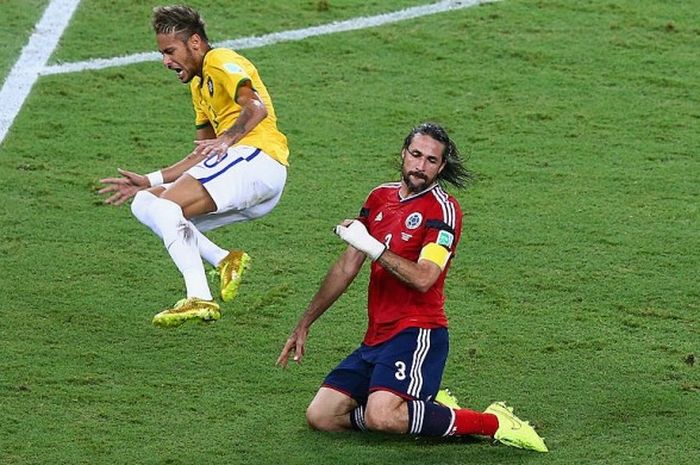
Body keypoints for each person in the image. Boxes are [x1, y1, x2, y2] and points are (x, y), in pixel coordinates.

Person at [277, 123, 548, 452]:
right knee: (321, 416)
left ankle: (494, 422)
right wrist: (305, 322)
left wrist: (373, 247)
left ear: (441, 167)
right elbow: (346, 267)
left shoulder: (443, 210)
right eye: (416, 155)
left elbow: (424, 277)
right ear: (403, 154)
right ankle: (421, 409)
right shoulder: (379, 198)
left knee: (380, 416)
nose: (420, 166)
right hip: (376, 337)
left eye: (431, 161)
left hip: (418, 333)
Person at [98, 5, 289, 327]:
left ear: (196, 43)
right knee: (147, 203)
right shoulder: (200, 87)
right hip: (243, 171)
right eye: (162, 53)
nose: (166, 61)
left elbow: (256, 107)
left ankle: (199, 297)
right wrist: (148, 179)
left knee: (165, 206)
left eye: (170, 51)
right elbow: (201, 152)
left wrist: (227, 139)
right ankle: (224, 259)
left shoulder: (219, 60)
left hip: (257, 160)